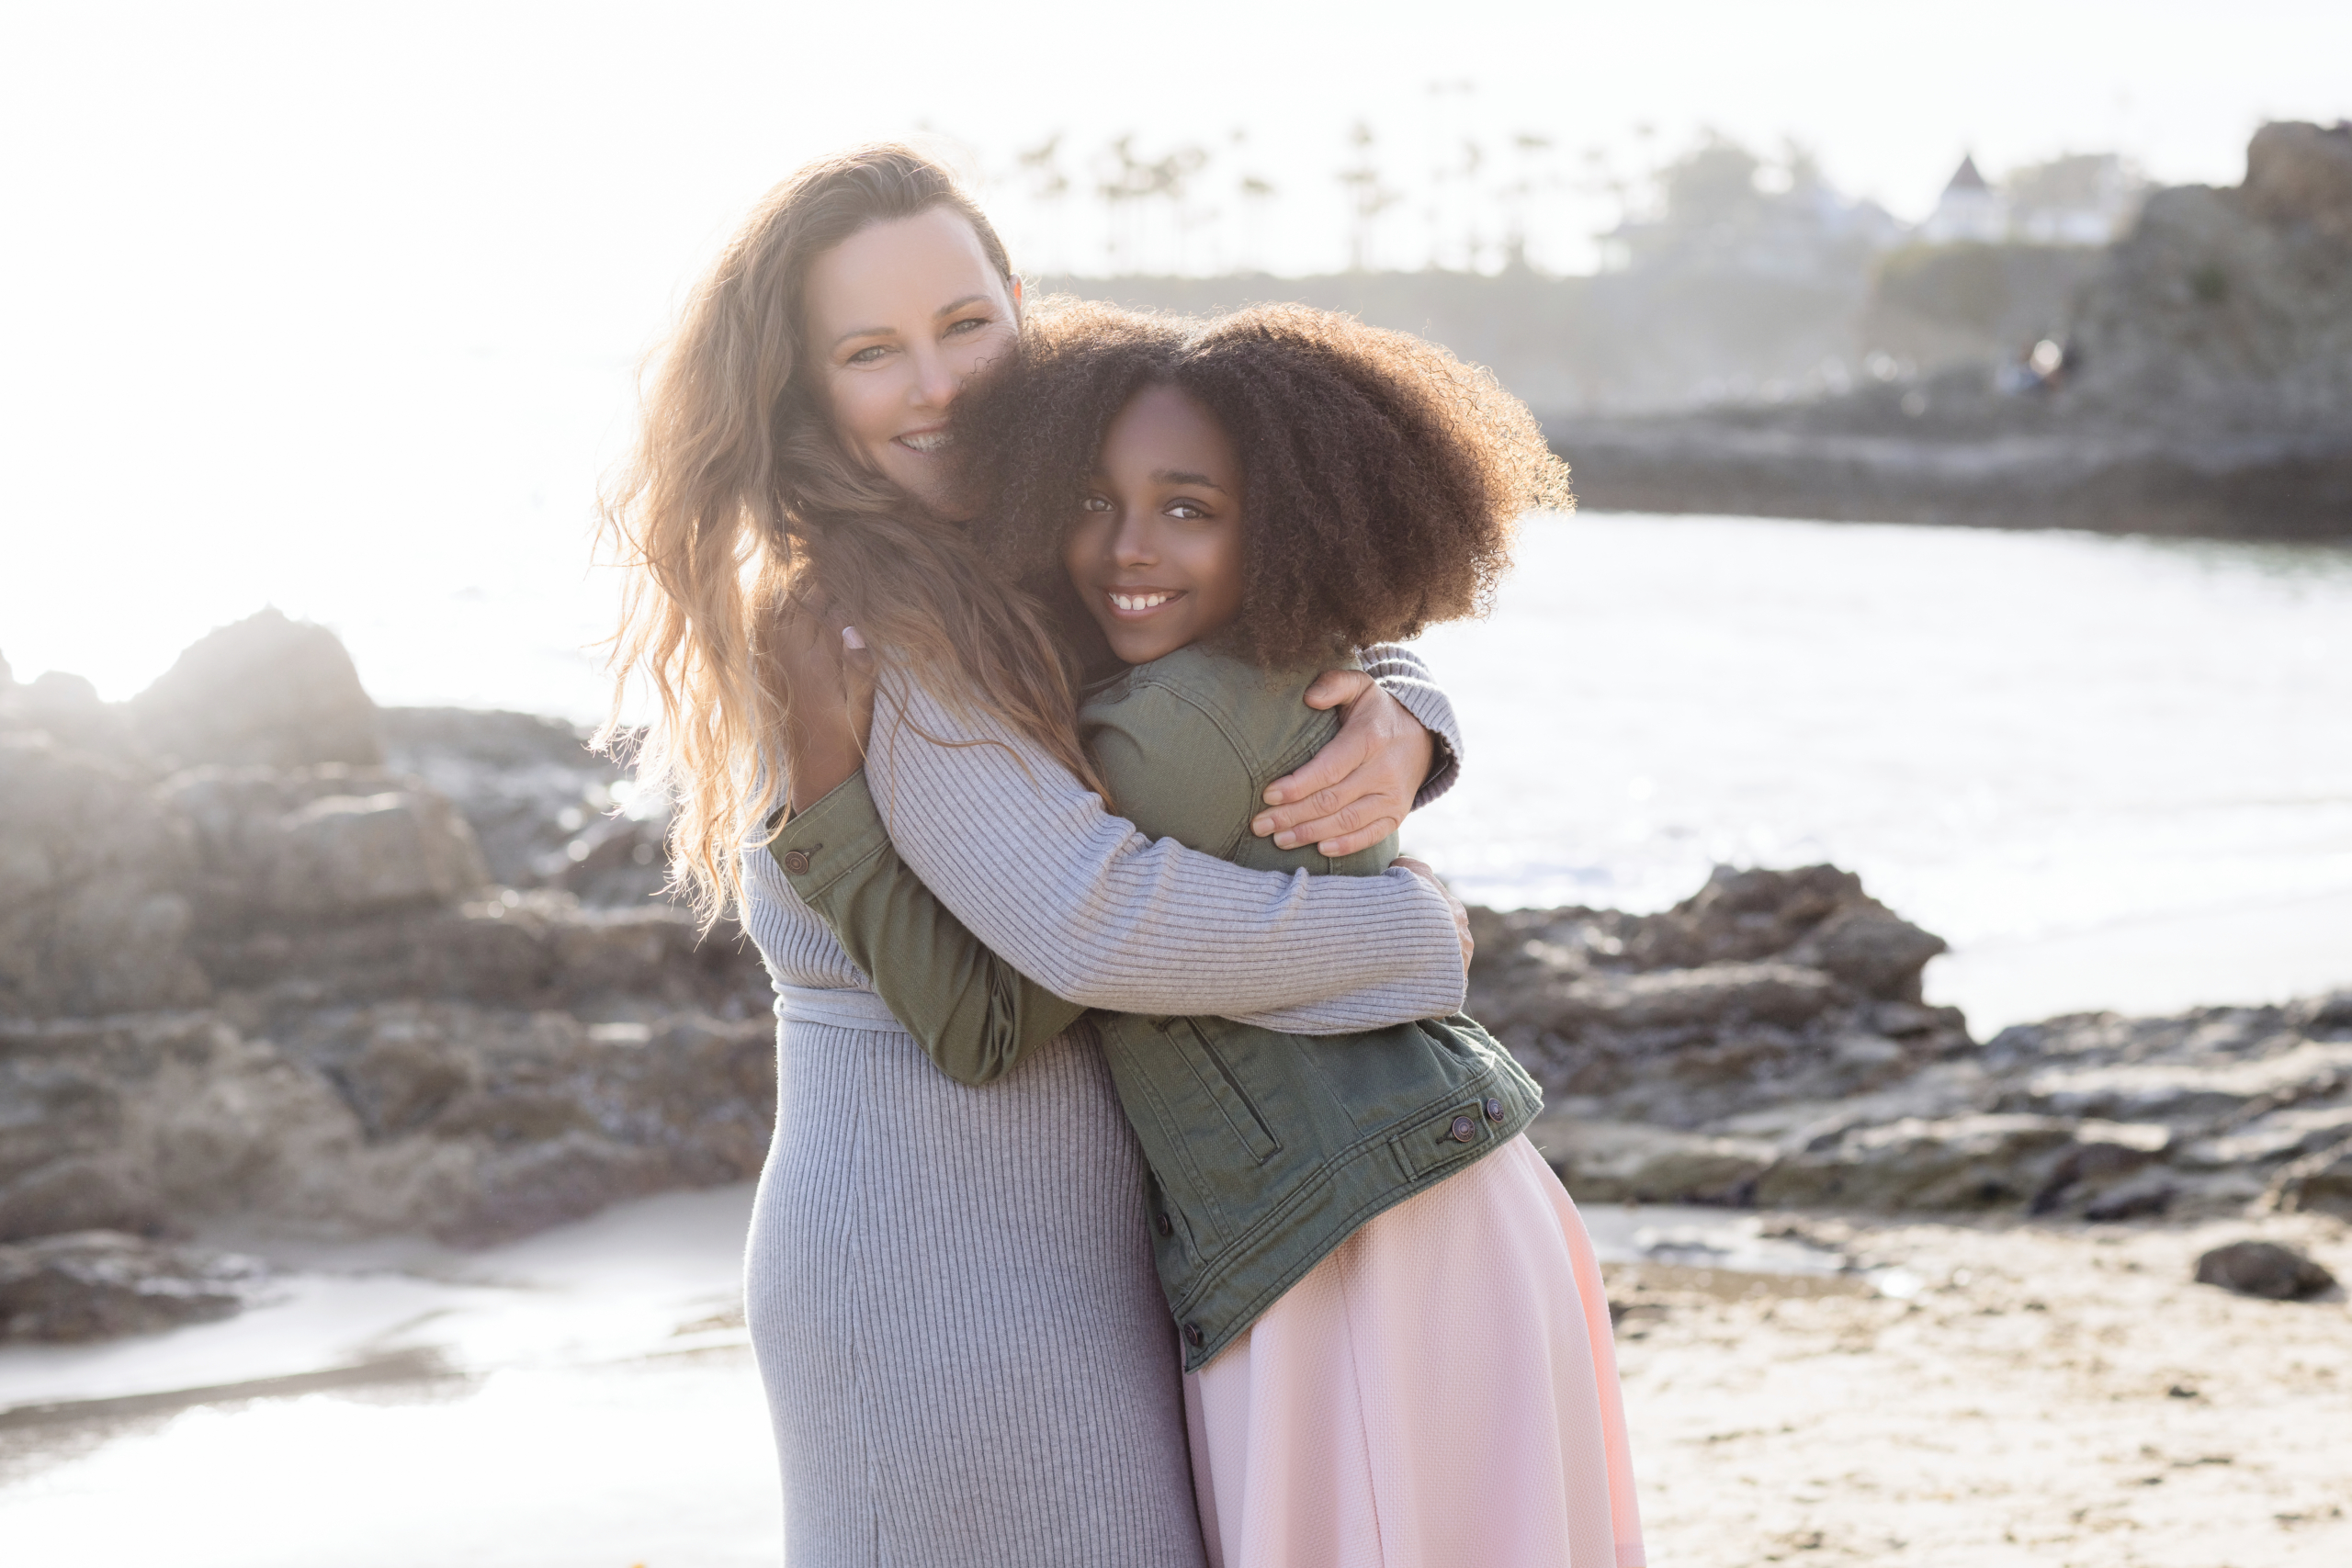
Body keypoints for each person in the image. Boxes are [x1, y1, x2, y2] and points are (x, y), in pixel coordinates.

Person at [600, 145, 1476, 1568]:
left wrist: (1406, 707)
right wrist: (1412, 944)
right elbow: (1092, 924)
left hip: (1088, 1256)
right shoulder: (872, 614)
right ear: (805, 389)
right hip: (936, 1266)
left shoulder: (1036, 525)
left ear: (1018, 302)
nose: (938, 386)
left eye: (963, 325)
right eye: (872, 352)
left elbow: (1278, 574)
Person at [773, 301, 1645, 1568]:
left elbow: (984, 1019)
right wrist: (1410, 703)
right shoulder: (1271, 667)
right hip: (1443, 1207)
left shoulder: (1155, 738)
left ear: (1286, 524)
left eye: (1190, 508)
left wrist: (821, 788)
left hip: (1352, 1248)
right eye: (1090, 500)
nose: (1127, 548)